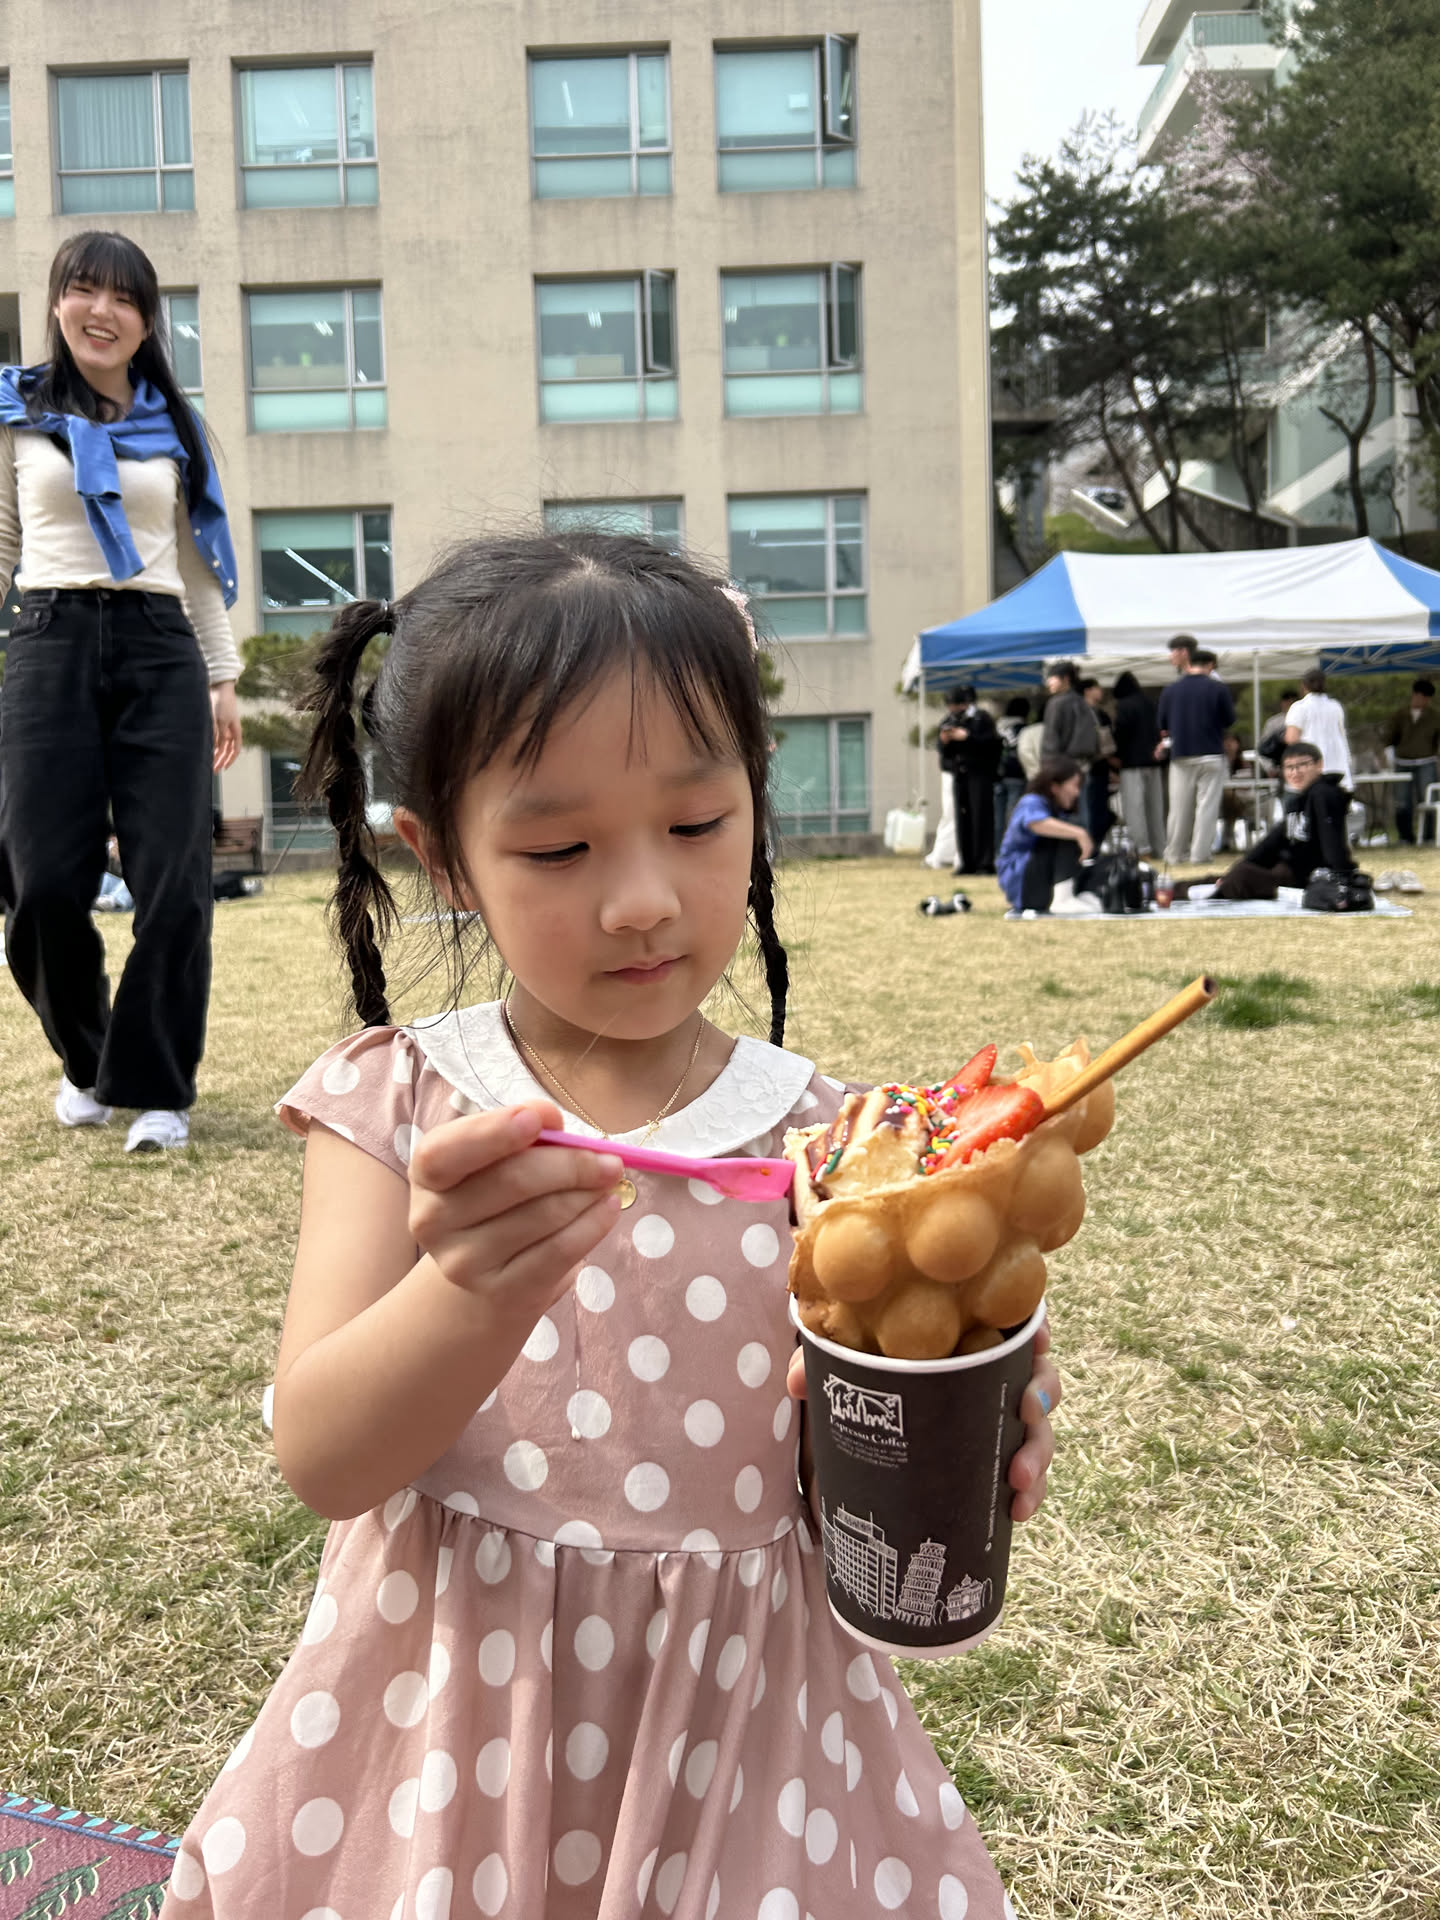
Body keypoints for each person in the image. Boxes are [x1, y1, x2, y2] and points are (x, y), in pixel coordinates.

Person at [158, 532, 1060, 1918]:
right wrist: (468, 1291)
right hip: (460, 1722)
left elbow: (836, 1480)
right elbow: (326, 1458)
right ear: (445, 858)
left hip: (745, 1729)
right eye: (559, 846)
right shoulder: (400, 1101)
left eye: (696, 825)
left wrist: (955, 1415)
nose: (643, 900)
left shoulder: (831, 1146)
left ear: (754, 797)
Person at [0, 231, 241, 1153]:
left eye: (125, 299)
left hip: (160, 647)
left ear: (146, 322)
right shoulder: (18, 411)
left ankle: (158, 1089)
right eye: (85, 290)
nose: (102, 311)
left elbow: (198, 565)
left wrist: (223, 676)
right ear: (58, 301)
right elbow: (3, 545)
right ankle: (91, 1063)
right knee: (40, 884)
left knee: (174, 883)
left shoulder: (174, 427)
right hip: (48, 642)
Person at [1177, 740, 1353, 900]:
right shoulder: (1298, 800)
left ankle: (1203, 893)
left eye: (1302, 765)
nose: (1295, 772)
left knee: (1242, 876)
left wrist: (1340, 876)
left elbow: (1332, 840)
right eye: (1289, 767)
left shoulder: (1324, 794)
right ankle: (1172, 890)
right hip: (1284, 869)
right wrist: (1241, 866)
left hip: (1305, 877)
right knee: (1227, 875)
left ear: (1319, 765)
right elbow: (1272, 842)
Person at [1156, 647, 1235, 865]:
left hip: (1181, 754)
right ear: (1210, 665)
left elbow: (1162, 723)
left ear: (1189, 663)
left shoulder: (1170, 690)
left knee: (1179, 808)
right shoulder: (1218, 688)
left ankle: (1174, 853)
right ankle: (1200, 855)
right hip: (1211, 753)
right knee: (1206, 807)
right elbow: (1229, 720)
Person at [997, 754, 1100, 916]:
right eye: (1074, 786)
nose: (1077, 793)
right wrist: (1079, 834)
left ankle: (1072, 895)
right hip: (1022, 883)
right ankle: (1063, 900)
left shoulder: (1056, 810)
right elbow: (1035, 823)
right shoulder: (1031, 801)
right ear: (1055, 787)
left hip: (1036, 884)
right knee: (1067, 834)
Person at [938, 683, 1001, 874]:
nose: (953, 709)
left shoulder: (982, 719)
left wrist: (968, 737)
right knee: (962, 818)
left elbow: (993, 744)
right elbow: (943, 751)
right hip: (960, 774)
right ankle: (967, 862)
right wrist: (945, 741)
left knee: (981, 817)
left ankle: (984, 862)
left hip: (980, 775)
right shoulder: (949, 720)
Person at [1111, 671, 1165, 855]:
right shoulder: (1151, 703)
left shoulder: (1124, 706)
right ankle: (1160, 846)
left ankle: (1141, 847)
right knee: (1155, 807)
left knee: (1135, 807)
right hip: (1154, 762)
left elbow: (1121, 732)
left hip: (1131, 762)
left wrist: (1117, 754)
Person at [1383, 677, 1440, 845]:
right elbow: (1390, 738)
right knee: (1402, 801)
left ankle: (1429, 836)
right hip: (1403, 763)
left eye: (1427, 698)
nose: (1423, 701)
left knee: (1428, 799)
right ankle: (1405, 836)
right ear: (1414, 695)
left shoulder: (1434, 716)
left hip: (1426, 762)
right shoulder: (1400, 715)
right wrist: (1389, 755)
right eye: (1421, 697)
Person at [1284, 668, 1352, 786]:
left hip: (1312, 768)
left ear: (1303, 685)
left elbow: (1292, 738)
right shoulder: (1335, 706)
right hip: (1338, 766)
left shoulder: (1299, 707)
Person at [1078, 677, 1116, 850]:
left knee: (1099, 809)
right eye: (1097, 688)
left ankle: (1095, 845)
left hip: (1100, 767)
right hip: (1090, 767)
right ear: (1088, 691)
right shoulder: (1084, 713)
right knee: (1092, 808)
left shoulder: (1098, 713)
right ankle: (1091, 847)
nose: (1100, 691)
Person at [1040, 659, 1099, 765]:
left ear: (1066, 679)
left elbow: (1051, 737)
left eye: (1052, 678)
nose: (1049, 682)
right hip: (1083, 762)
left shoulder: (1056, 702)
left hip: (1060, 763)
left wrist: (1048, 764)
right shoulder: (1081, 701)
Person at [994, 694, 1031, 837]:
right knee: (1013, 814)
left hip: (997, 776)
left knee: (997, 818)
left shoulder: (997, 727)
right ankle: (1011, 845)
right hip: (1016, 775)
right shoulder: (1023, 729)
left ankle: (997, 847)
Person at [1257, 689, 1299, 776]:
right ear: (1282, 703)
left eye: (1292, 702)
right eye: (1287, 702)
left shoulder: (1302, 720)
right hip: (1279, 767)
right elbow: (1264, 747)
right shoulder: (1273, 723)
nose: (1289, 705)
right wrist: (1269, 768)